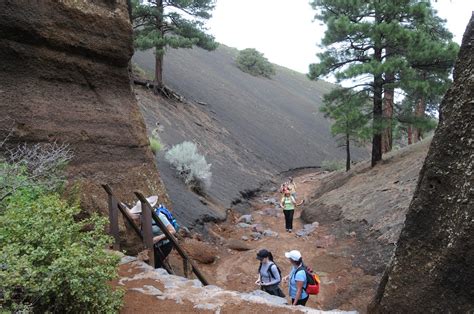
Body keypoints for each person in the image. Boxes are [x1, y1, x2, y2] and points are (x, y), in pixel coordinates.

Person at [128, 195, 176, 269]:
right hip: (154, 244)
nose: (140, 213)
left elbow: (172, 231)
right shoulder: (142, 215)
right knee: (151, 263)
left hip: (165, 244)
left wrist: (158, 238)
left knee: (155, 265)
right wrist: (122, 205)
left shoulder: (159, 216)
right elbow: (133, 216)